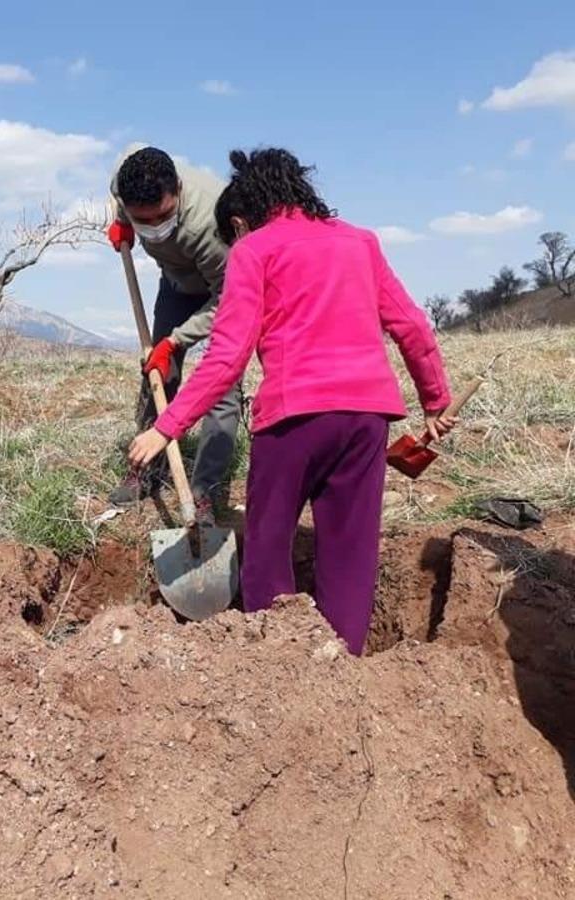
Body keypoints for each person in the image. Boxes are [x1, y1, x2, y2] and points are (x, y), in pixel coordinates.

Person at [128, 148, 456, 655]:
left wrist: (166, 425)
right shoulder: (361, 242)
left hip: (292, 422)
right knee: (350, 552)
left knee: (266, 546)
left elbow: (227, 357)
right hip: (367, 420)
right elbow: (411, 325)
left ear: (239, 221)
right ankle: (342, 663)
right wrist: (435, 401)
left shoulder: (253, 250)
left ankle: (278, 666)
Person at [107, 146, 242, 523]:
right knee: (156, 373)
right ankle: (146, 471)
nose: (154, 226)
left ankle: (204, 492)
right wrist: (123, 222)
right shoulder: (124, 180)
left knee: (222, 389)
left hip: (224, 291)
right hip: (177, 284)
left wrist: (176, 340)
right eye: (142, 220)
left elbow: (227, 301)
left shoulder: (212, 224)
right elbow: (124, 199)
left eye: (163, 216)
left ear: (178, 190)